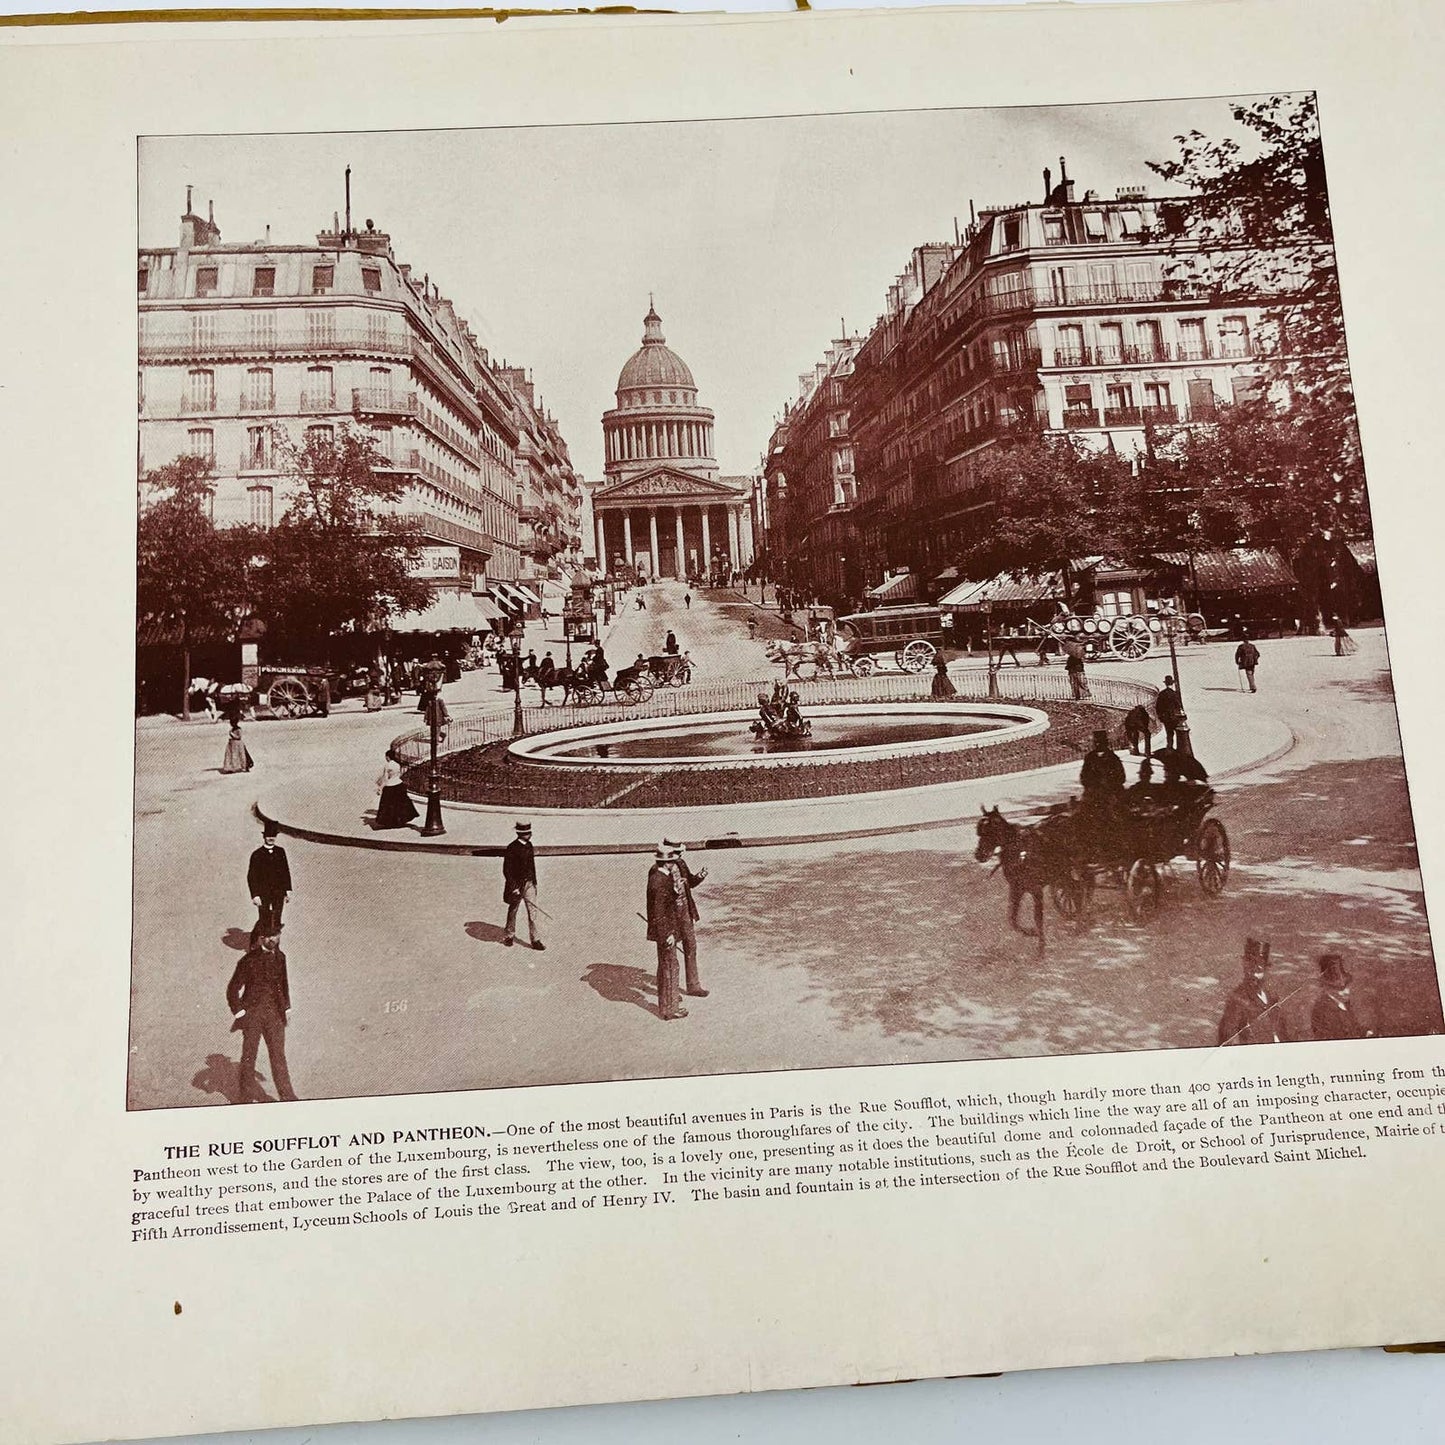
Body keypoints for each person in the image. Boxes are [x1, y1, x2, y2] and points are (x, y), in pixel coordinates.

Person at [227, 930, 297, 1103]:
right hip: (253, 1016)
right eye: (270, 936)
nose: (274, 939)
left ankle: (287, 1096)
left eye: (277, 934)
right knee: (249, 1055)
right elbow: (232, 989)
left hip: (275, 1016)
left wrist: (286, 1008)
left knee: (278, 1056)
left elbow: (283, 984)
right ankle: (245, 1097)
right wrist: (240, 1012)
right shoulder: (248, 960)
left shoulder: (281, 957)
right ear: (261, 938)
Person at [645, 843, 689, 1021]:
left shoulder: (658, 876)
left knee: (666, 966)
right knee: (670, 967)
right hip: (666, 932)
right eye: (672, 861)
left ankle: (667, 1006)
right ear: (668, 863)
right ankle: (670, 1009)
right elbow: (659, 913)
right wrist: (668, 934)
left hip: (664, 930)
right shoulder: (660, 882)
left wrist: (676, 888)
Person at [1217, 938, 1287, 1045]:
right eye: (1252, 963)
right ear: (1245, 965)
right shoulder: (1237, 999)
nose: (1257, 968)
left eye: (1261, 963)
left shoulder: (1272, 998)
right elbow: (1228, 1039)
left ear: (1265, 968)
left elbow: (1283, 1033)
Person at [666, 837, 709, 998]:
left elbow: (690, 882)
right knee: (670, 953)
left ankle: (693, 985)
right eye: (676, 853)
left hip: (685, 911)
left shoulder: (681, 863)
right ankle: (671, 990)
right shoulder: (660, 869)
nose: (678, 856)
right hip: (671, 914)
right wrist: (673, 891)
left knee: (691, 946)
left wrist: (700, 876)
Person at [501, 821, 544, 950]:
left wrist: (534, 882)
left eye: (529, 832)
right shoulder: (512, 847)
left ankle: (535, 939)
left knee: (532, 911)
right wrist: (514, 887)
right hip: (517, 885)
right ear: (519, 833)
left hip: (529, 883)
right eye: (526, 833)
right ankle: (509, 935)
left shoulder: (529, 845)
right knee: (513, 910)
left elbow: (532, 866)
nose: (529, 835)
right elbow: (507, 870)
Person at [1311, 954, 1373, 1039]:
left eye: (1347, 986)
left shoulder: (1344, 1003)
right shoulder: (1323, 1009)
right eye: (1339, 989)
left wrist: (1365, 1032)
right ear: (1327, 988)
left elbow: (1353, 1026)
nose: (1346, 992)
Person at [247, 822, 292, 935]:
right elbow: (252, 876)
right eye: (268, 836)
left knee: (277, 919)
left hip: (278, 892)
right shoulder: (257, 854)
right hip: (263, 893)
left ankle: (275, 947)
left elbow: (285, 871)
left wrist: (287, 890)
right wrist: (255, 895)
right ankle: (259, 941)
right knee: (264, 918)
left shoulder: (280, 851)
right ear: (264, 837)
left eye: (273, 836)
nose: (271, 838)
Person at [375, 746, 418, 829]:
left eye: (386, 757)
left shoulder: (387, 765)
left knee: (388, 805)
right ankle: (400, 820)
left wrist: (380, 788)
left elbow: (385, 778)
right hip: (399, 784)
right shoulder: (397, 764)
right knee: (399, 804)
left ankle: (389, 822)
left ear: (388, 757)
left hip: (390, 786)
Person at [1155, 676, 1183, 750]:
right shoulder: (1174, 694)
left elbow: (1158, 707)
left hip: (1166, 717)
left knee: (1169, 733)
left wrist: (1160, 716)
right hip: (1174, 717)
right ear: (1172, 684)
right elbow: (1178, 705)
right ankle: (1178, 748)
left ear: (1165, 684)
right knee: (1178, 732)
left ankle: (1169, 747)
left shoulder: (1162, 693)